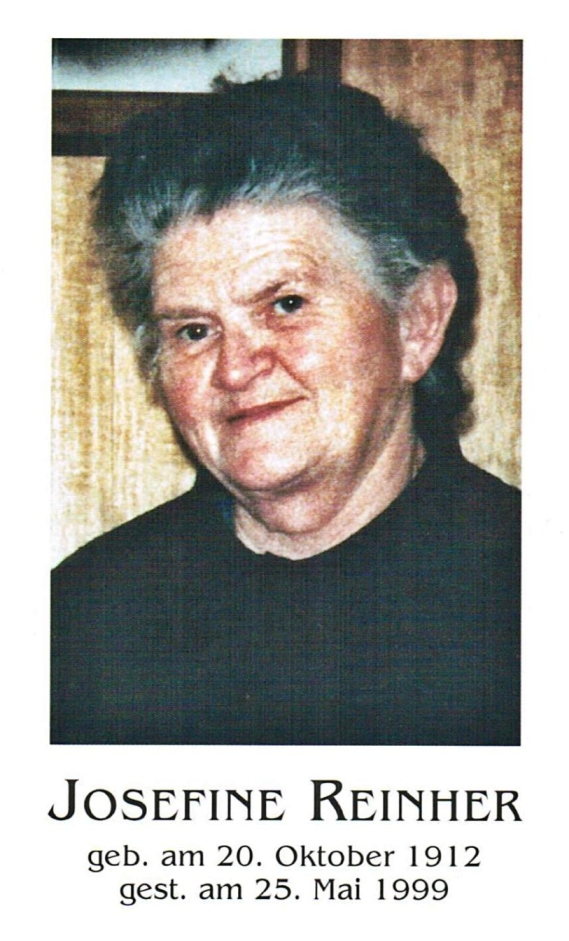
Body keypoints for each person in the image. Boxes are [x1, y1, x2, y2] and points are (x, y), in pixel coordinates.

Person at [51, 76, 520, 745]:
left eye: (286, 304)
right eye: (193, 331)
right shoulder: (82, 617)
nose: (235, 369)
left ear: (416, 321)